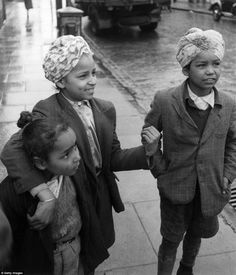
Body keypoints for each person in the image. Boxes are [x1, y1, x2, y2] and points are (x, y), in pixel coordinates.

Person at [1, 35, 160, 274]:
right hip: (72, 195)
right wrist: (44, 195)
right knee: (73, 249)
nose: (93, 81)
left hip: (99, 195)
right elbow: (12, 150)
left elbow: (112, 158)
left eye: (94, 73)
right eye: (83, 76)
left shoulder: (105, 108)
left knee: (92, 252)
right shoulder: (47, 110)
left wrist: (146, 153)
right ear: (61, 80)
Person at [143, 27, 236, 275]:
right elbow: (150, 138)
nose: (211, 71)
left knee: (196, 234)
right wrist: (158, 163)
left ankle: (187, 269)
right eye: (201, 65)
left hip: (209, 190)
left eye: (216, 64)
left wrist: (227, 175)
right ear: (186, 69)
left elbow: (233, 143)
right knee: (171, 239)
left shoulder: (228, 104)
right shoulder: (164, 100)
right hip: (175, 189)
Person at [0, 113, 111, 274]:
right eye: (66, 155)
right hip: (40, 260)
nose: (77, 157)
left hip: (75, 249)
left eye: (75, 147)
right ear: (41, 163)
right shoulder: (12, 192)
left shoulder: (74, 173)